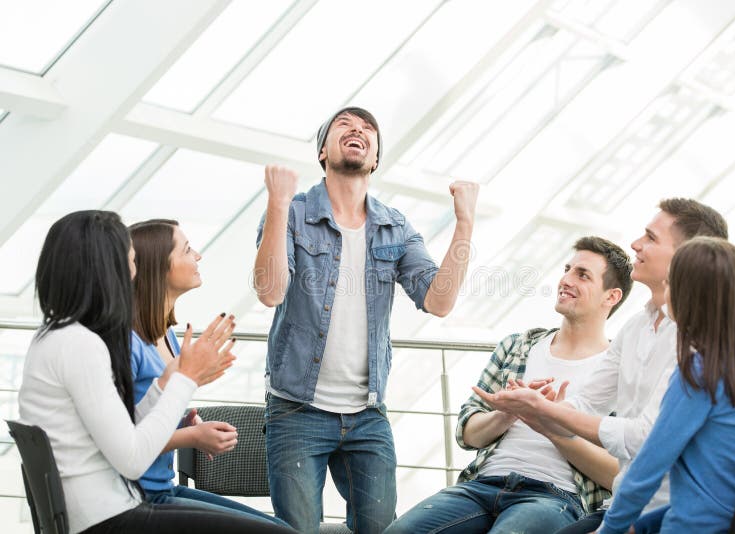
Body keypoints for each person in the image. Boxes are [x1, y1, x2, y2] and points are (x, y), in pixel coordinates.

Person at [252, 106, 479, 533]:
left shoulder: (394, 227)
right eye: (345, 124)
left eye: (368, 129)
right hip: (297, 408)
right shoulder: (294, 214)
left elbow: (439, 301)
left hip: (367, 413)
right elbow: (270, 291)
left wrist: (464, 224)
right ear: (323, 151)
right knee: (296, 530)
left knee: (381, 529)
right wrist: (278, 203)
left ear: (374, 159)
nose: (358, 129)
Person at [17, 210, 296, 534]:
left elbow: (125, 429)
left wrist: (166, 384)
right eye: (131, 263)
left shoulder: (56, 338)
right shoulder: (80, 346)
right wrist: (185, 378)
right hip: (110, 517)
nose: (134, 275)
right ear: (107, 270)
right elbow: (133, 459)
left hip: (107, 508)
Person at [473, 198, 729, 533]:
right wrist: (536, 407)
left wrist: (546, 413)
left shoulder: (699, 340)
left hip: (667, 514)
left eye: (651, 238)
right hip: (625, 505)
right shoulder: (636, 327)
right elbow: (587, 403)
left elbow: (641, 438)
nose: (636, 244)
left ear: (686, 256)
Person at [385, 236, 633, 534]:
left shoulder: (619, 370)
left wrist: (550, 425)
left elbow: (618, 475)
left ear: (611, 297)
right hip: (481, 486)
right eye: (567, 269)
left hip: (554, 496)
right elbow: (468, 435)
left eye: (582, 275)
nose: (565, 280)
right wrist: (508, 414)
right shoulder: (518, 346)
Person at [596, 237, 735, 533]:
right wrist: (640, 526)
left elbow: (648, 466)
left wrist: (610, 529)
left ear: (691, 296)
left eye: (670, 284)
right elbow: (722, 490)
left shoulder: (700, 370)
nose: (665, 292)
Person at [128, 218, 288, 526]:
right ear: (159, 267)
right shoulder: (128, 342)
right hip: (140, 498)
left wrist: (183, 420)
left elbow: (147, 412)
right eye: (187, 250)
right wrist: (190, 436)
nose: (198, 256)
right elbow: (123, 441)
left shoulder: (167, 335)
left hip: (162, 488)